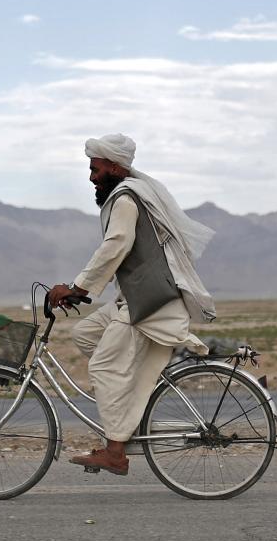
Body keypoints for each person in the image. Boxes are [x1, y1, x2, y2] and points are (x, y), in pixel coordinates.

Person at [46, 133, 217, 475]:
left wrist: (78, 287)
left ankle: (115, 452)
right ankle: (126, 412)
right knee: (85, 333)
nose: (91, 176)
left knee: (105, 369)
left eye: (95, 168)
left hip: (150, 304)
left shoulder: (125, 199)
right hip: (135, 299)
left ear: (113, 166)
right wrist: (84, 291)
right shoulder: (129, 196)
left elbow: (116, 246)